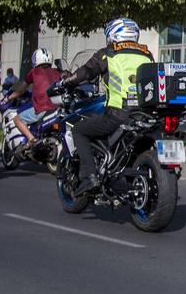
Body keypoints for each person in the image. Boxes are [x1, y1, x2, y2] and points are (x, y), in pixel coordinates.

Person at [59, 17, 154, 194]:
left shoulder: (108, 53)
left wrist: (67, 81)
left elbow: (85, 72)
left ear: (113, 34)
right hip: (145, 114)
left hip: (118, 114)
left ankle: (89, 177)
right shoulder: (147, 54)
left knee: (79, 130)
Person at [6, 48, 61, 147]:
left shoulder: (34, 72)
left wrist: (8, 98)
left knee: (17, 119)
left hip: (42, 107)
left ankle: (31, 139)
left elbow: (21, 90)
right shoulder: (57, 73)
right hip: (57, 107)